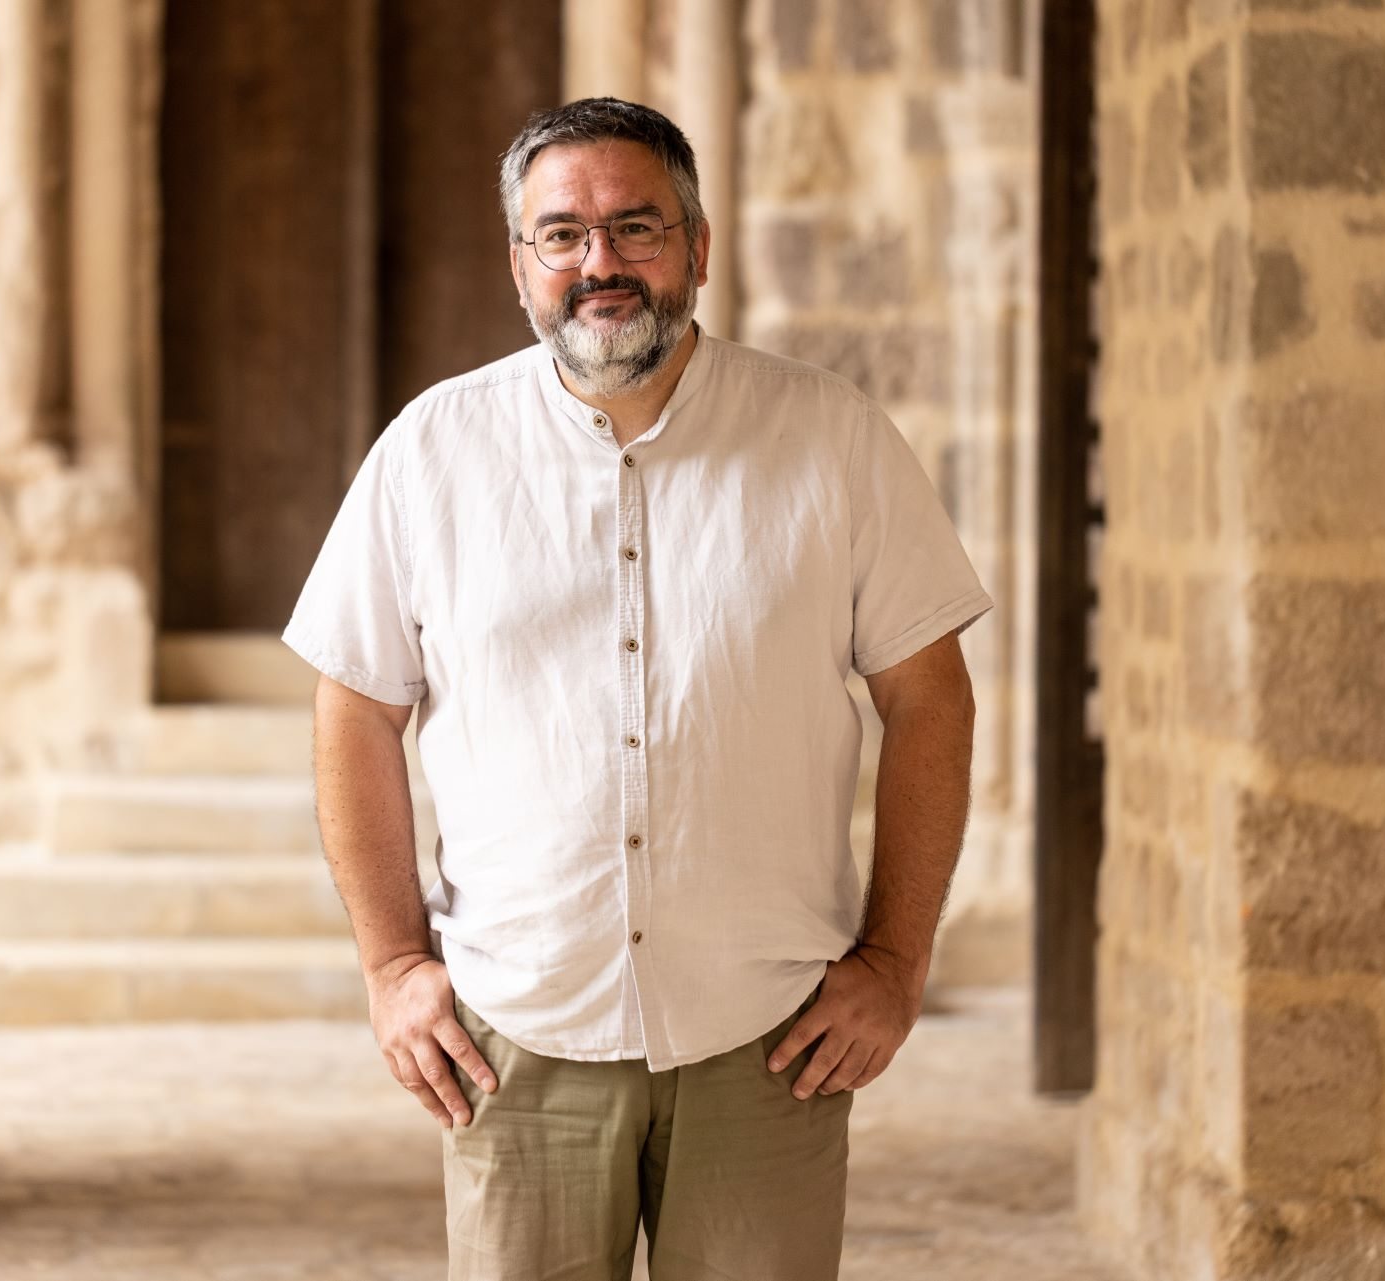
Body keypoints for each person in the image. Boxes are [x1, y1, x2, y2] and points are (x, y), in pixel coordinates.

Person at [282, 96, 991, 1281]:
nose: (597, 263)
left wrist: (896, 961)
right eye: (560, 234)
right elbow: (355, 706)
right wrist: (397, 966)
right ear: (520, 265)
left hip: (770, 1034)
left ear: (699, 248)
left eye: (635, 227)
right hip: (519, 1035)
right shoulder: (430, 454)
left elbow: (933, 700)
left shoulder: (835, 442)